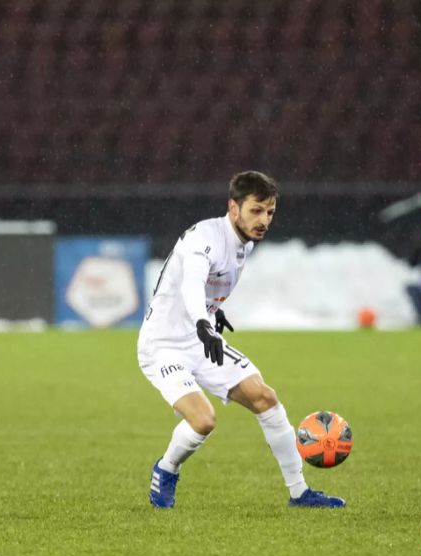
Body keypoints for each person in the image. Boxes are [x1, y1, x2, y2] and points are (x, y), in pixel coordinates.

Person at [137, 171, 345, 510]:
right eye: (256, 210)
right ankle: (166, 468)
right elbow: (191, 283)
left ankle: (300, 493)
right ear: (233, 207)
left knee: (265, 398)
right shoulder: (204, 239)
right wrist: (203, 320)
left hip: (201, 337)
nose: (264, 220)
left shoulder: (243, 242)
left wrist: (212, 312)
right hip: (163, 345)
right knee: (203, 421)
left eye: (270, 212)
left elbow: (204, 288)